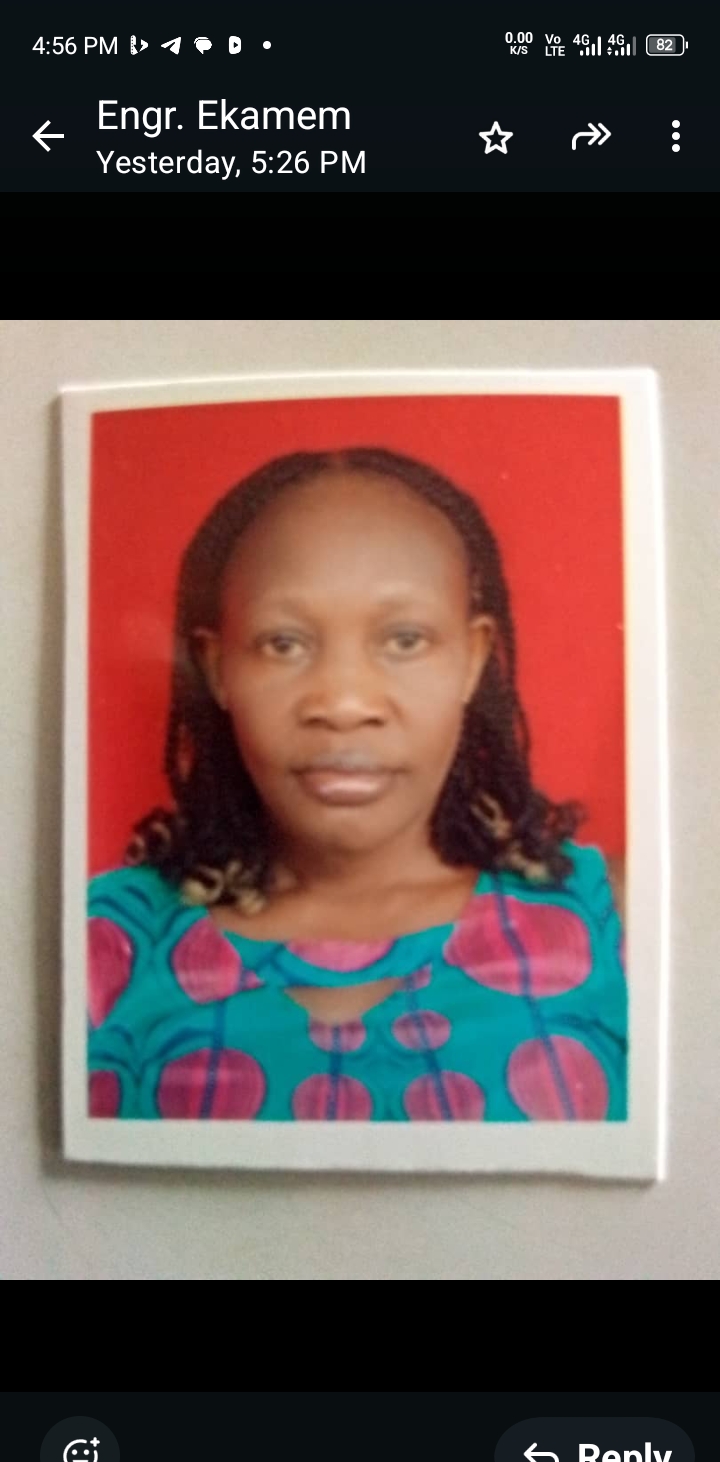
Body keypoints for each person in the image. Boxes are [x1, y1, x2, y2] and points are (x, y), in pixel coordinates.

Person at [87, 446, 628, 1121]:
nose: (343, 703)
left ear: (472, 660)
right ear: (218, 669)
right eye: (284, 643)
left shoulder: (622, 922)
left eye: (404, 640)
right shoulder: (102, 943)